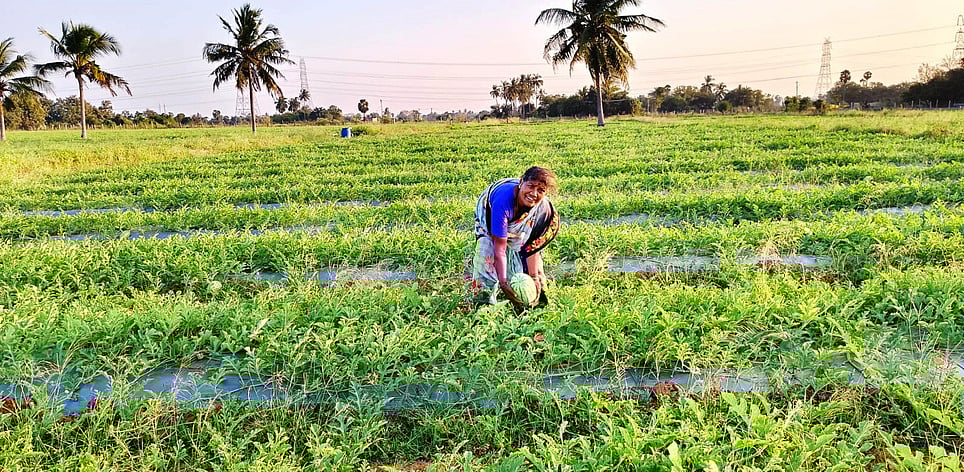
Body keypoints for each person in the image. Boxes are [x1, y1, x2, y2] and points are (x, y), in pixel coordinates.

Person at [469, 166, 560, 309]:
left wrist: (534, 277)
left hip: (525, 226)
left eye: (541, 190)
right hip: (491, 212)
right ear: (521, 182)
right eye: (530, 186)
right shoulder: (503, 203)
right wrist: (503, 283)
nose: (534, 193)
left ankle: (536, 305)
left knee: (529, 269)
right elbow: (499, 249)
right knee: (486, 252)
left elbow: (532, 247)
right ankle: (483, 306)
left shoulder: (542, 212)